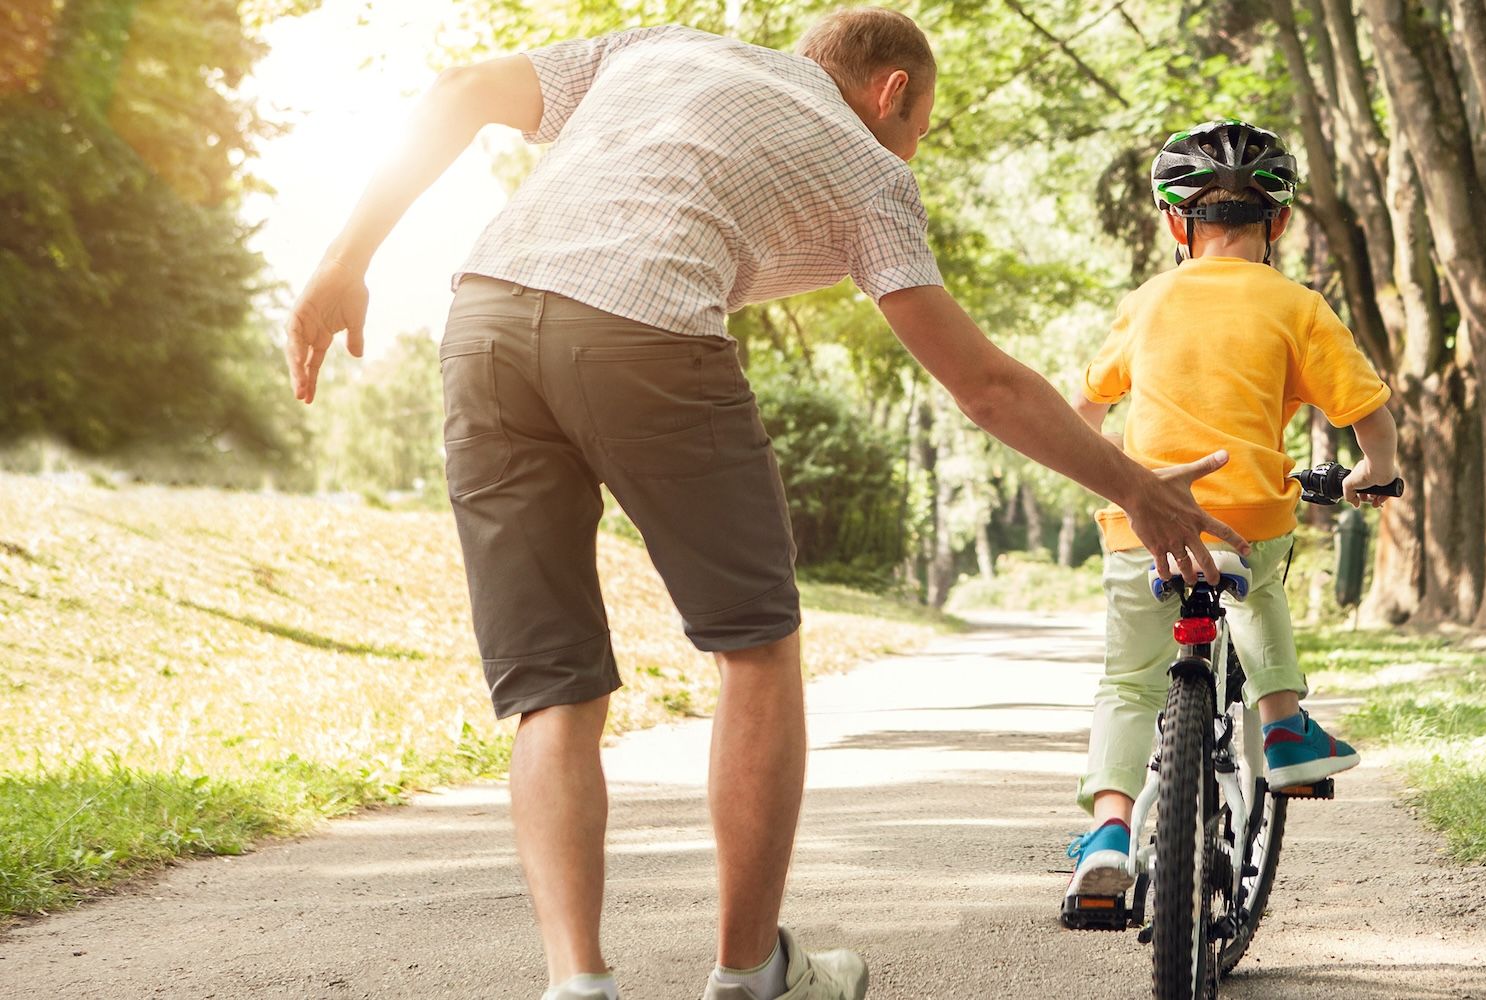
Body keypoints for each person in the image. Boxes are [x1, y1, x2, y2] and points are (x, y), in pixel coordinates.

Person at [283, 10, 1247, 1000]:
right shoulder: (872, 167)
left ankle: (577, 982)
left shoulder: (652, 48)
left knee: (552, 688)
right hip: (645, 333)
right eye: (921, 126)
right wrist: (1136, 487)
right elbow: (984, 386)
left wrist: (343, 259)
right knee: (755, 645)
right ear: (893, 93)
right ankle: (750, 973)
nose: (912, 148)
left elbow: (455, 94)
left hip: (482, 322)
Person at [1060, 119, 1402, 908]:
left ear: (1176, 223)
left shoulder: (1146, 301)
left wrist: (1108, 481)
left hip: (1143, 516)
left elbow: (1085, 408)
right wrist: (1373, 473)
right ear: (1277, 222)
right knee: (1263, 587)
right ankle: (1282, 723)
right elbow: (1367, 413)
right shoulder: (1296, 304)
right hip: (1247, 508)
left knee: (1128, 681)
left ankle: (1109, 829)